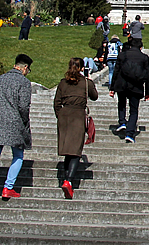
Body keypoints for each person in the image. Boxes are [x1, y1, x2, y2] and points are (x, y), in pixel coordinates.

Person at [0, 53, 33, 207]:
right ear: (25, 68)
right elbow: (23, 106)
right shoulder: (24, 82)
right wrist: (24, 121)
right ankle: (8, 187)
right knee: (18, 155)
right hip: (15, 122)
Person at [54, 58, 98, 199]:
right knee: (76, 151)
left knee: (68, 149)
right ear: (82, 68)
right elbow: (95, 96)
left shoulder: (63, 83)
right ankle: (69, 180)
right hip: (78, 115)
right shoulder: (85, 82)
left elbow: (56, 102)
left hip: (64, 116)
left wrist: (60, 115)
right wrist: (89, 80)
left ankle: (66, 178)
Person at [110, 38, 149, 143]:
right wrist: (148, 92)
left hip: (122, 85)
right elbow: (148, 75)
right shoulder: (144, 57)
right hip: (136, 86)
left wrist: (112, 88)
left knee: (121, 104)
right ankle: (130, 133)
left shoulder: (122, 55)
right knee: (133, 111)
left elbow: (116, 71)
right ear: (141, 47)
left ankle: (122, 122)